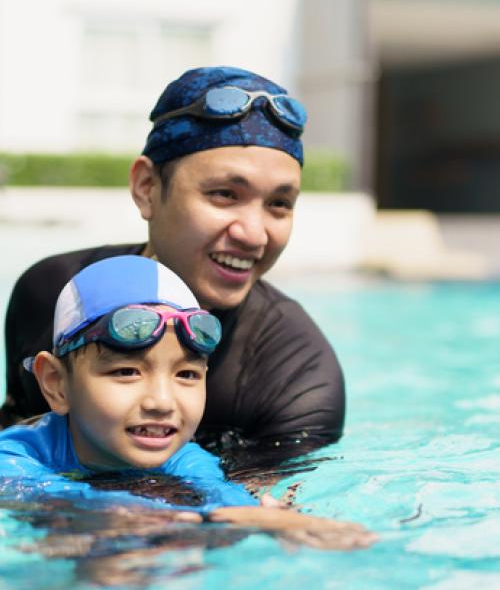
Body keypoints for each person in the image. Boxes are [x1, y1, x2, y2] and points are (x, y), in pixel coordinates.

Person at [1, 66, 345, 470]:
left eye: (279, 204)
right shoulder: (53, 294)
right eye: (224, 194)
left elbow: (253, 521)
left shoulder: (294, 377)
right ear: (147, 187)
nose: (254, 234)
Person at [0, 255, 376, 550]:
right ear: (57, 385)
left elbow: (225, 501)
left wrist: (280, 522)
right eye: (127, 372)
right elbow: (37, 496)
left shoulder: (186, 459)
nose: (163, 401)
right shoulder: (17, 454)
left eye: (186, 375)